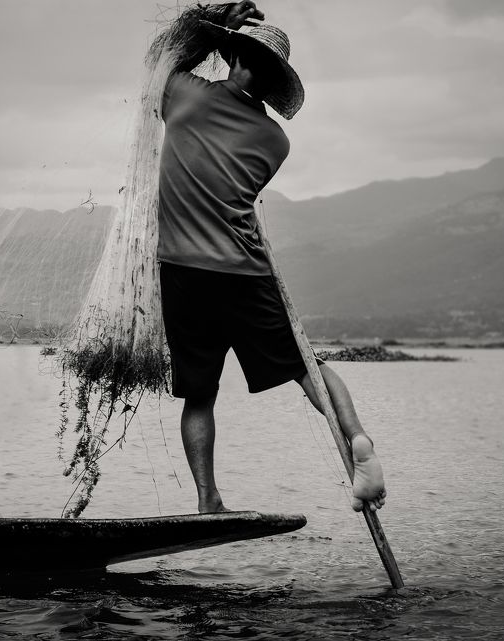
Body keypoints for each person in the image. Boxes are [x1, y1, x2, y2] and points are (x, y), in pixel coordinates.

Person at [155, 1, 387, 514]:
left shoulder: (182, 95)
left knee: (199, 395)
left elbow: (162, 58)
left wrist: (216, 22)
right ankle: (359, 440)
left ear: (232, 57)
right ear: (273, 82)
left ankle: (208, 501)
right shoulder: (275, 141)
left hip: (184, 273)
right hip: (245, 272)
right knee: (306, 367)